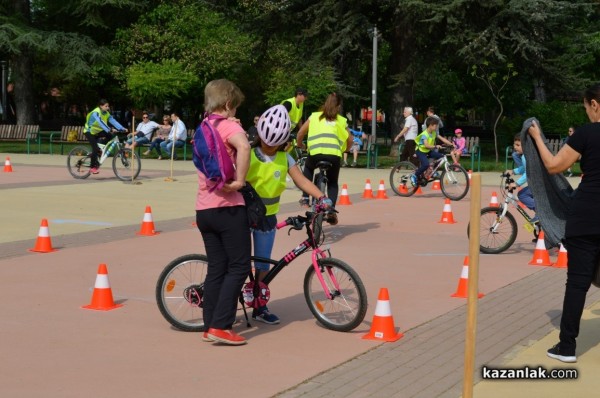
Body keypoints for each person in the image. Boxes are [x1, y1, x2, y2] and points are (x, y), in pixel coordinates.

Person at [528, 83, 600, 363]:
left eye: (585, 107)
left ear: (594, 104)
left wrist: (536, 137)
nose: (587, 113)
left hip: (585, 217)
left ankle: (567, 346)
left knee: (578, 283)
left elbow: (555, 165)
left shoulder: (586, 133)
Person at [246, 105, 331, 324]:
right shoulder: (248, 154)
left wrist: (322, 197)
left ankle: (259, 305)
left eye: (275, 144)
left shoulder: (286, 158)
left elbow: (301, 179)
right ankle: (225, 304)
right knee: (239, 263)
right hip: (243, 216)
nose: (270, 147)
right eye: (266, 143)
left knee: (263, 265)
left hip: (267, 218)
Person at [196, 79, 251, 346]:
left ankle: (209, 325)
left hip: (204, 210)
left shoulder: (203, 127)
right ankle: (221, 325)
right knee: (239, 266)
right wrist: (239, 181)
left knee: (217, 267)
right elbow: (245, 147)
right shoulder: (230, 126)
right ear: (228, 104)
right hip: (228, 209)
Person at [296, 92, 353, 225]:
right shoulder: (341, 120)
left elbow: (300, 133)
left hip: (315, 153)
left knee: (308, 168)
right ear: (338, 106)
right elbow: (350, 139)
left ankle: (305, 197)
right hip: (333, 155)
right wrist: (346, 149)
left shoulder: (314, 116)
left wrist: (300, 144)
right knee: (332, 182)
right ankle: (331, 210)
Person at [83, 99, 127, 174]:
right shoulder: (96, 112)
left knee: (110, 136)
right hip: (89, 132)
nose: (107, 108)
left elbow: (113, 121)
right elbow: (100, 122)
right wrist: (109, 129)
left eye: (108, 106)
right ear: (101, 106)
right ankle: (93, 167)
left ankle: (99, 149)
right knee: (95, 148)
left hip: (98, 131)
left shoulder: (106, 113)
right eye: (106, 106)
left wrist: (122, 128)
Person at [410, 116, 454, 187]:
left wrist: (451, 144)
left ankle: (433, 171)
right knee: (425, 164)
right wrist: (435, 146)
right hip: (421, 151)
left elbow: (442, 139)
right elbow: (426, 145)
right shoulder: (424, 134)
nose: (437, 127)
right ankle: (414, 175)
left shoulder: (434, 132)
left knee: (441, 156)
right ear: (430, 126)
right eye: (435, 126)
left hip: (427, 151)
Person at [504, 134, 537, 221]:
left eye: (518, 145)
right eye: (514, 144)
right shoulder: (525, 156)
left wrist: (516, 183)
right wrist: (513, 171)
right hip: (538, 183)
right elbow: (524, 169)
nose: (515, 147)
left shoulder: (526, 157)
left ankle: (540, 212)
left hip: (540, 184)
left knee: (522, 195)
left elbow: (528, 173)